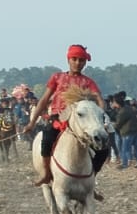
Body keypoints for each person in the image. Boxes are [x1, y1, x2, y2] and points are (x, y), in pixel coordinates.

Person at [23, 44, 107, 187]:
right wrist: (32, 122)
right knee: (47, 139)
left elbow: (99, 100)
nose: (77, 63)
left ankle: (92, 177)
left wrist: (99, 114)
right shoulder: (57, 77)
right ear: (68, 60)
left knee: (103, 148)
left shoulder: (88, 82)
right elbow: (44, 100)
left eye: (81, 60)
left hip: (79, 123)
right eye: (74, 59)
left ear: (85, 63)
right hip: (58, 120)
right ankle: (46, 173)